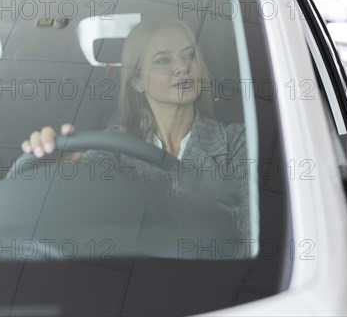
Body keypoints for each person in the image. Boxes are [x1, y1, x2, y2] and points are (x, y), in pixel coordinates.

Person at [21, 18, 249, 240]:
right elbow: (77, 216)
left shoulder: (237, 141)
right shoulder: (113, 147)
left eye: (189, 56)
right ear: (137, 81)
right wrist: (55, 171)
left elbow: (248, 232)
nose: (182, 67)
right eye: (162, 60)